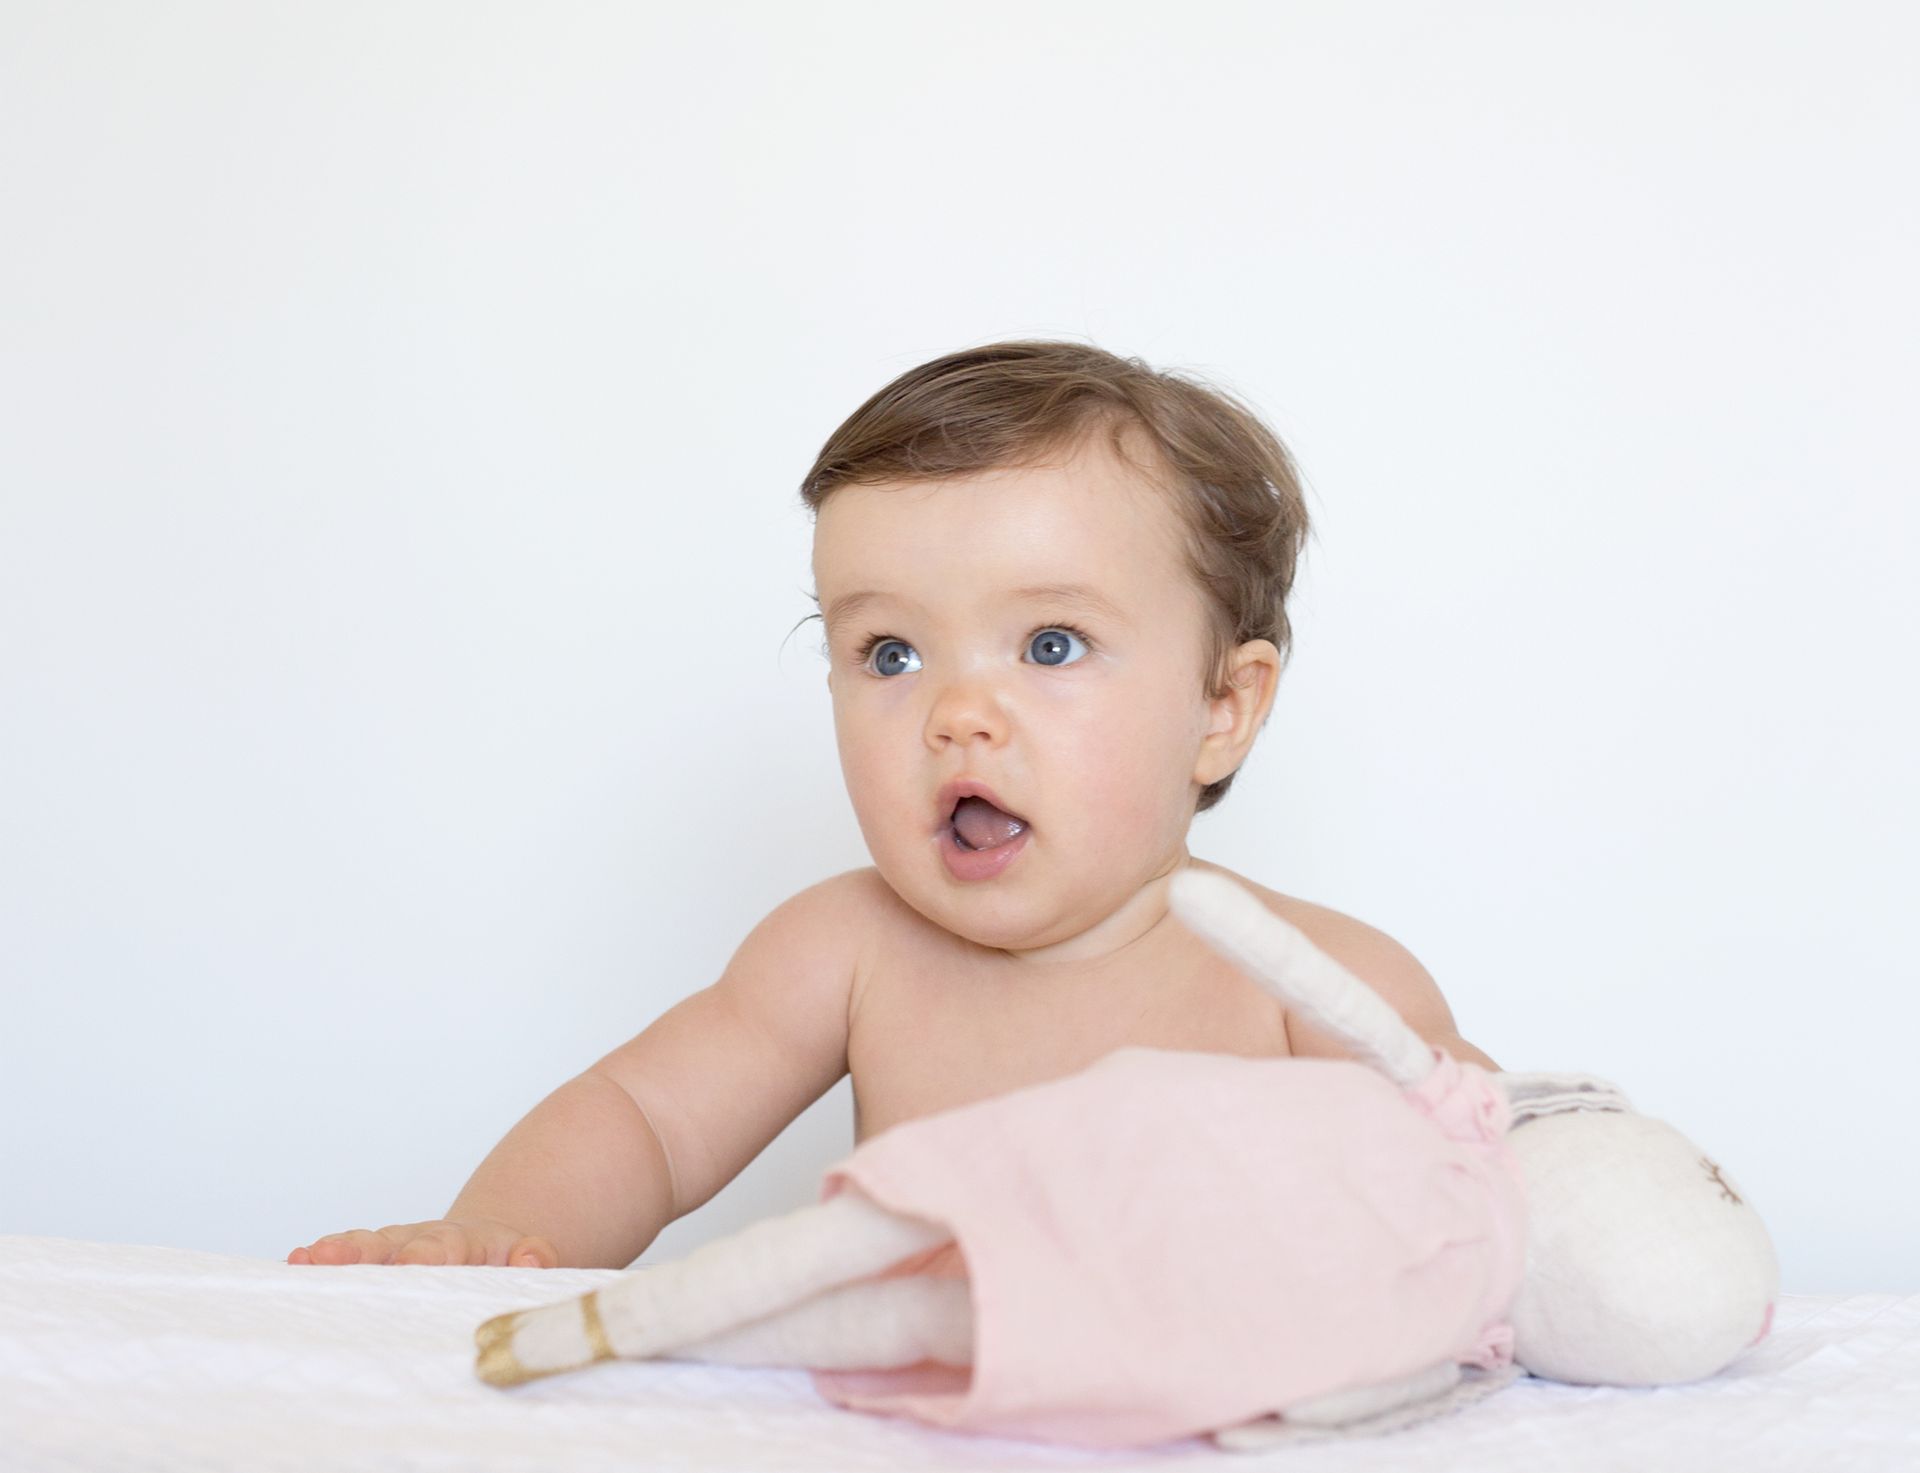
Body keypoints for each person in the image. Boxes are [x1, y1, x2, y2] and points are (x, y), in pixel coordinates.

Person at [288, 339, 1499, 1273]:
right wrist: (497, 1239)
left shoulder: (1313, 984)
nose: (957, 714)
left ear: (1223, 706)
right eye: (890, 655)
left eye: (1051, 643)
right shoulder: (850, 950)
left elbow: (1504, 1177)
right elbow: (644, 1121)